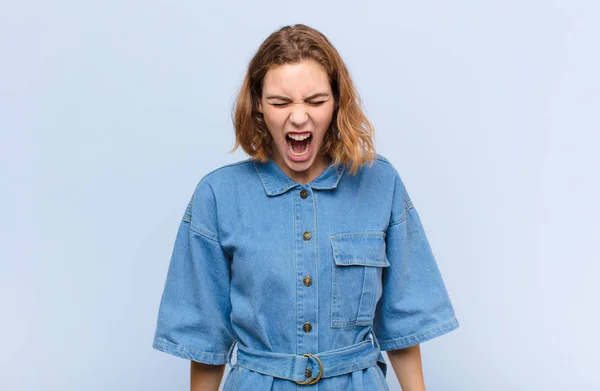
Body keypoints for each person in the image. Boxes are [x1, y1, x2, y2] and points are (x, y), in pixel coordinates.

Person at [152, 24, 459, 391]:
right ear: (259, 106)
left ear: (337, 102)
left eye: (315, 101)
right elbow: (205, 342)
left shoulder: (381, 183)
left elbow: (403, 325)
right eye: (281, 102)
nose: (298, 117)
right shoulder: (217, 195)